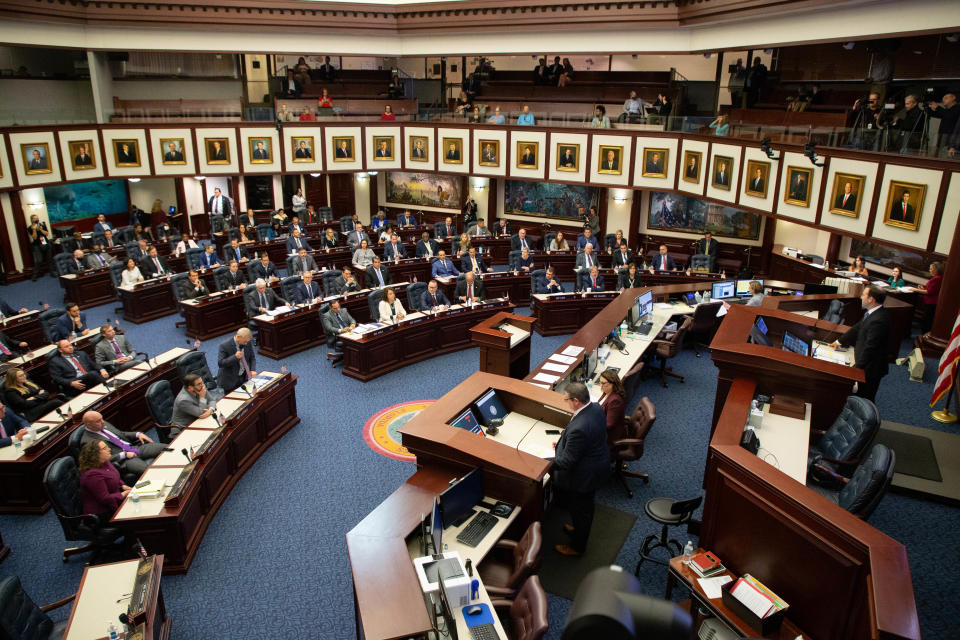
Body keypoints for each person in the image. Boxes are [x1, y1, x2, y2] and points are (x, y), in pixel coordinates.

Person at [552, 382, 609, 556]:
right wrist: (564, 443)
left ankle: (577, 547)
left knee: (581, 510)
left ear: (576, 401)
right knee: (582, 508)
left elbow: (566, 462)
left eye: (566, 399)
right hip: (597, 462)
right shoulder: (596, 407)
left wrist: (542, 463)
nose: (565, 402)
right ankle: (577, 529)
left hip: (585, 476)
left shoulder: (580, 428)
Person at [831, 286, 890, 402]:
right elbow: (858, 327)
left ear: (871, 299)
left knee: (864, 399)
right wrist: (839, 341)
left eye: (864, 295)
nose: (861, 297)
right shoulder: (872, 313)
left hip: (871, 368)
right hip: (865, 363)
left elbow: (870, 348)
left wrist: (855, 371)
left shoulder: (879, 320)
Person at [80, 410, 164, 478]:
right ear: (88, 424)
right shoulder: (88, 441)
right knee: (150, 472)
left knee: (167, 448)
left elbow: (121, 434)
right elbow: (100, 461)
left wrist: (137, 434)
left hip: (133, 448)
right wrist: (124, 455)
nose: (103, 422)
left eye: (102, 419)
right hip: (124, 460)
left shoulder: (103, 424)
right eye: (98, 421)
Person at [77, 440, 131, 519]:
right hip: (104, 513)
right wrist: (124, 494)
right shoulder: (91, 476)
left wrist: (122, 486)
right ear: (95, 454)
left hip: (116, 499)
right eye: (105, 448)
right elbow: (105, 498)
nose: (109, 449)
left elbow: (115, 477)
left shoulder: (104, 462)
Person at [217, 328, 256, 393]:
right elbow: (221, 363)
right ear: (238, 337)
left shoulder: (247, 343)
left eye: (247, 341)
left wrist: (252, 370)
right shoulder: (224, 346)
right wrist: (234, 357)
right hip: (230, 380)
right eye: (245, 342)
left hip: (243, 377)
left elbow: (252, 357)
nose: (246, 344)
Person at [598, 370, 626, 459]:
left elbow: (608, 424)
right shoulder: (607, 393)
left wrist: (592, 425)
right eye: (600, 382)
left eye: (603, 383)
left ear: (612, 384)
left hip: (610, 438)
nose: (601, 386)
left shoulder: (615, 400)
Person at [916, 262, 943, 334]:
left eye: (931, 269)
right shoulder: (936, 278)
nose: (929, 270)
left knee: (927, 321)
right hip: (930, 303)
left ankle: (924, 336)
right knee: (926, 320)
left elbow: (929, 292)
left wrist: (915, 289)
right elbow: (930, 289)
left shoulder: (937, 278)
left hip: (931, 303)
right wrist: (923, 288)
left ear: (936, 270)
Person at [26, 214, 53, 280]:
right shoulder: (30, 228)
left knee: (49, 259)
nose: (36, 219)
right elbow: (34, 238)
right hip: (37, 245)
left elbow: (46, 234)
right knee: (39, 260)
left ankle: (52, 272)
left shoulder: (42, 224)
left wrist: (41, 229)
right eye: (35, 218)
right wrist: (34, 230)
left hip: (45, 243)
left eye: (37, 218)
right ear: (32, 220)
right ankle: (35, 275)